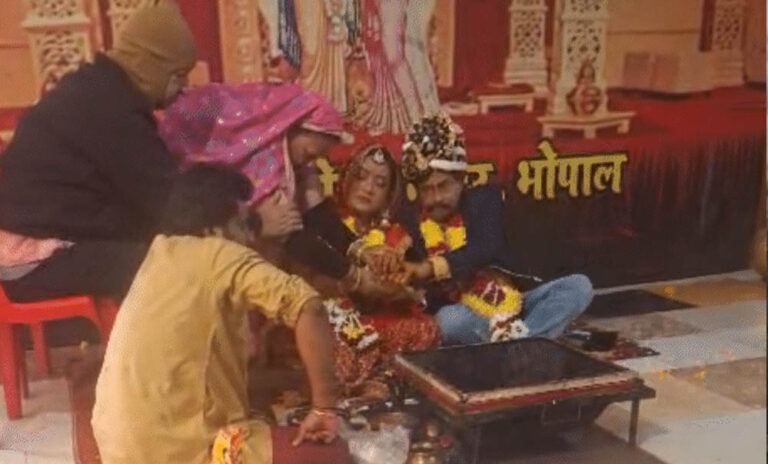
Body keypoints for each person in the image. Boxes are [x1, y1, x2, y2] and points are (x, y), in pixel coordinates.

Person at [92, 163, 352, 464]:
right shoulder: (220, 252)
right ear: (213, 229)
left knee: (260, 412)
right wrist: (324, 407)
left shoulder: (158, 255)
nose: (250, 238)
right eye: (242, 225)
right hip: (179, 451)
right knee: (330, 454)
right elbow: (310, 306)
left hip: (117, 447)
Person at [0, 0, 196, 302]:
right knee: (184, 266)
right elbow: (168, 202)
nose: (183, 87)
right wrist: (240, 220)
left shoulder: (99, 89)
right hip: (36, 260)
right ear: (152, 67)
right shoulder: (110, 109)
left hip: (47, 243)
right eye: (179, 75)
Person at [159, 82, 399, 296]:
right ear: (290, 125)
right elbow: (292, 237)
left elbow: (317, 215)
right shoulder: (264, 164)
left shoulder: (294, 163)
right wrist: (354, 277)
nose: (310, 162)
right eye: (309, 154)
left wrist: (361, 250)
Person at [400, 114, 594, 345]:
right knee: (448, 321)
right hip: (470, 316)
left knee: (579, 287)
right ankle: (528, 342)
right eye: (426, 190)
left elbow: (486, 247)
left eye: (443, 186)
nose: (436, 198)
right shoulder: (411, 226)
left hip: (516, 303)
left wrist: (430, 268)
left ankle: (519, 343)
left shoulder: (485, 200)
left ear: (460, 180)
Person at [325, 144, 439, 395]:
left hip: (381, 313)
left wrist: (400, 289)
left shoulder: (397, 235)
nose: (368, 188)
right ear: (346, 181)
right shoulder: (328, 226)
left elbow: (403, 286)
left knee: (424, 328)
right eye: (361, 177)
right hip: (339, 315)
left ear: (389, 196)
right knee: (338, 336)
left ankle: (383, 380)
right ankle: (353, 385)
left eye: (380, 183)